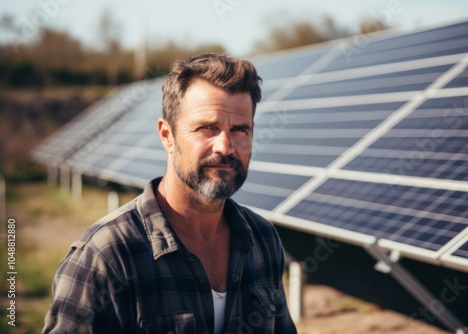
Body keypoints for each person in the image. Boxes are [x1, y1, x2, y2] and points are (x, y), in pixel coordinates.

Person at [42, 53, 297, 333]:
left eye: (240, 130)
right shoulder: (107, 257)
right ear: (167, 135)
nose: (225, 146)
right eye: (206, 128)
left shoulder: (263, 240)